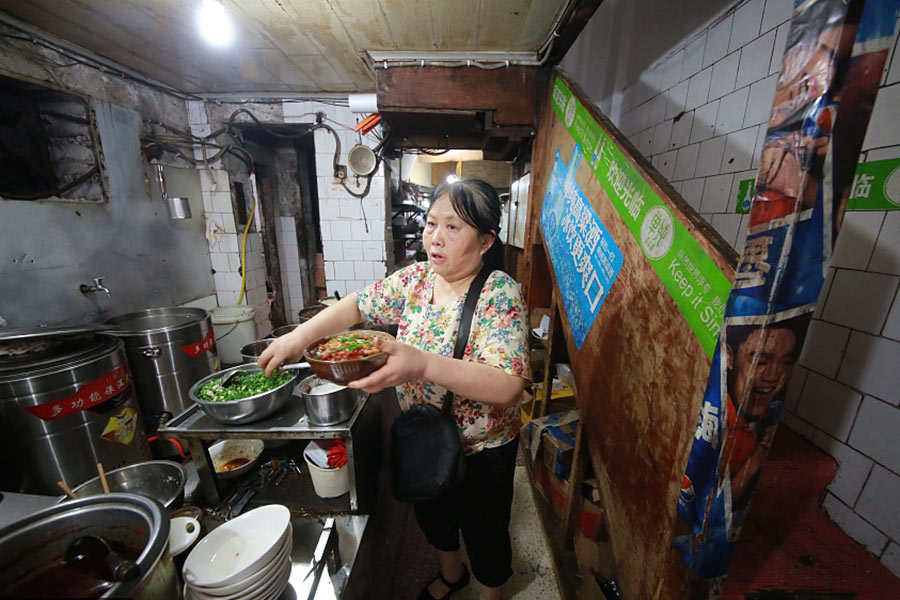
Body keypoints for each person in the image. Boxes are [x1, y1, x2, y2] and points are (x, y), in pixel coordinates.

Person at [258, 178, 530, 600]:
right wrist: (298, 337)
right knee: (433, 515)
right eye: (431, 224)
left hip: (483, 446)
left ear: (485, 241)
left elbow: (509, 385)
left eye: (453, 227)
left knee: (486, 529)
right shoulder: (416, 280)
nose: (435, 238)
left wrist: (422, 363)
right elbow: (355, 305)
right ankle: (452, 574)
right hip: (424, 433)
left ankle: (490, 593)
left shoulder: (500, 293)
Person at [722, 316, 807, 510]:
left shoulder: (765, 420)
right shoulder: (721, 421)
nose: (772, 376)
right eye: (760, 361)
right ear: (730, 357)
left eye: (785, 362)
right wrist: (755, 462)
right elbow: (716, 509)